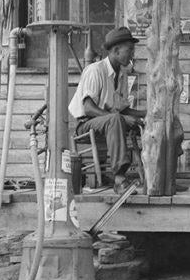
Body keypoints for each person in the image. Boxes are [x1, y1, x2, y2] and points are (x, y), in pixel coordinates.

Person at [69, 27, 177, 193]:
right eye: (129, 50)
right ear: (116, 50)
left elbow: (123, 110)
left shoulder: (122, 74)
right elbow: (88, 108)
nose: (132, 54)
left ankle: (165, 177)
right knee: (116, 119)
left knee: (160, 116)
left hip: (109, 123)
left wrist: (150, 113)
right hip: (85, 124)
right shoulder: (95, 70)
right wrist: (122, 118)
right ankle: (119, 179)